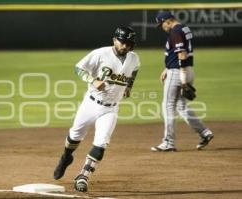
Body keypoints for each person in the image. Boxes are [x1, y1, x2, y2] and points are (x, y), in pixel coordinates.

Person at [53, 26, 140, 192]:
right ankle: (66, 157)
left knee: (101, 143)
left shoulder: (134, 58)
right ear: (114, 40)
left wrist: (129, 86)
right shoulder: (100, 53)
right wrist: (92, 80)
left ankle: (83, 176)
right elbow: (79, 68)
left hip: (111, 109)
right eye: (122, 42)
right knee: (74, 136)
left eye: (129, 43)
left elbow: (135, 70)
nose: (125, 46)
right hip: (90, 104)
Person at [151, 11, 214, 152]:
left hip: (179, 72)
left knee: (168, 105)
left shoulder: (175, 31)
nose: (162, 27)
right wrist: (166, 68)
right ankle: (204, 133)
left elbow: (182, 54)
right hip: (185, 69)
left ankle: (168, 142)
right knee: (181, 105)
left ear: (167, 21)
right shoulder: (184, 28)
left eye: (161, 24)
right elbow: (177, 53)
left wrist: (183, 78)